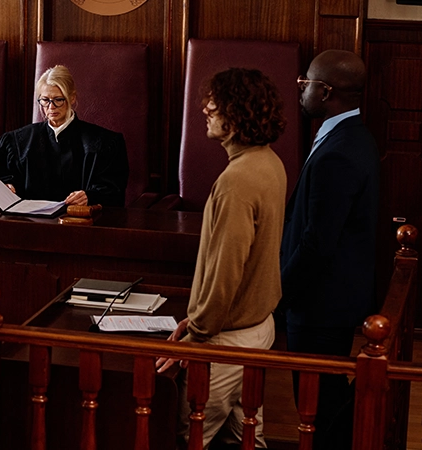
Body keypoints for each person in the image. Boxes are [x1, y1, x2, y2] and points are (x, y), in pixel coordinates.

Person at [155, 68, 287, 449]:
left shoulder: (237, 181)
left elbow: (226, 272)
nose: (206, 109)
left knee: (186, 435)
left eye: (216, 102)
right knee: (245, 437)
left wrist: (197, 334)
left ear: (238, 113)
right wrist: (194, 320)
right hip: (258, 327)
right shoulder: (269, 161)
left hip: (227, 340)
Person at [280, 49, 379, 450]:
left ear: (325, 91)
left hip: (321, 301)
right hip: (330, 296)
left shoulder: (339, 151)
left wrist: (279, 293)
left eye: (305, 83)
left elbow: (317, 243)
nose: (300, 89)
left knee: (316, 405)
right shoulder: (350, 135)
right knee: (323, 398)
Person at [0, 65, 128, 207]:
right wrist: (7, 186)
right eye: (45, 100)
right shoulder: (18, 142)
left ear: (72, 98)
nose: (51, 107)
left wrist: (90, 196)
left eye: (58, 99)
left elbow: (114, 190)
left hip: (79, 223)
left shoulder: (103, 143)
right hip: (31, 223)